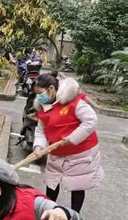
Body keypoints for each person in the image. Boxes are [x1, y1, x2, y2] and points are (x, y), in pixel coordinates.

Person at [33, 72, 104, 212]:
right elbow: (41, 130)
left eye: (40, 93)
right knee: (52, 181)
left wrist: (72, 138)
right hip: (56, 150)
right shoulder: (43, 107)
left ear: (51, 89)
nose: (39, 97)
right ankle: (48, 210)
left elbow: (91, 120)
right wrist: (38, 147)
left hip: (80, 152)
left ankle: (74, 216)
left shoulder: (74, 102)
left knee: (77, 183)